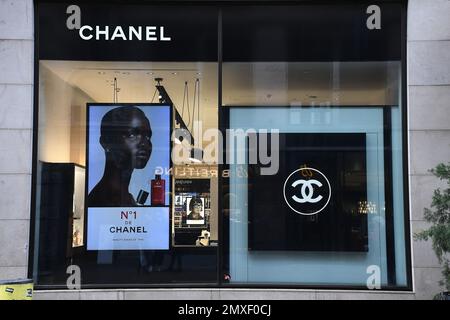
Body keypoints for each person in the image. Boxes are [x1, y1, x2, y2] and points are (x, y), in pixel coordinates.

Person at [88, 106, 152, 207]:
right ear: (106, 141)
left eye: (148, 136)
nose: (144, 143)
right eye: (132, 135)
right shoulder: (102, 200)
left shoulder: (126, 199)